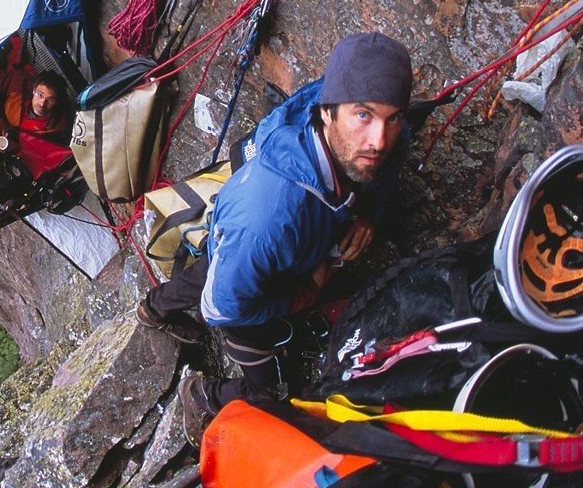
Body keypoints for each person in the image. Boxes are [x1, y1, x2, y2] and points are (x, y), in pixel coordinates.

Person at [135, 32, 414, 445]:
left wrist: (368, 216)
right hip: (256, 243)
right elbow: (221, 309)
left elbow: (393, 149)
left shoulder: (352, 107)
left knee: (219, 266)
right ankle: (203, 395)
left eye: (392, 118)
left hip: (257, 241)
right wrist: (305, 293)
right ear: (327, 114)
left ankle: (153, 308)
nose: (379, 140)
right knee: (272, 394)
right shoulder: (268, 220)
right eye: (363, 117)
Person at [0, 67, 73, 179]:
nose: (42, 103)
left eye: (50, 100)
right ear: (33, 90)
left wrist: (15, 148)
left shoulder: (57, 128)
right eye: (40, 95)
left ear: (56, 102)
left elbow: (40, 158)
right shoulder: (18, 85)